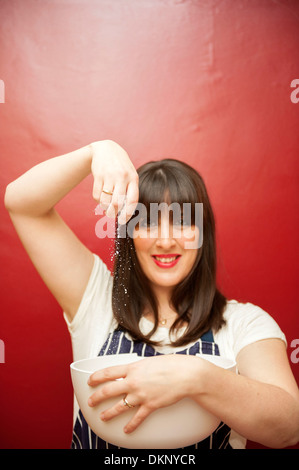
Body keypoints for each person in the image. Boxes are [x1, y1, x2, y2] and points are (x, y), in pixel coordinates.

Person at [4, 140, 299, 449]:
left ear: (203, 233)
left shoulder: (244, 324)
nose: (165, 240)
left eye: (183, 221)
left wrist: (197, 376)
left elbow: (289, 427)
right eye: (147, 221)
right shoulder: (96, 301)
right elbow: (23, 204)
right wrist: (97, 151)